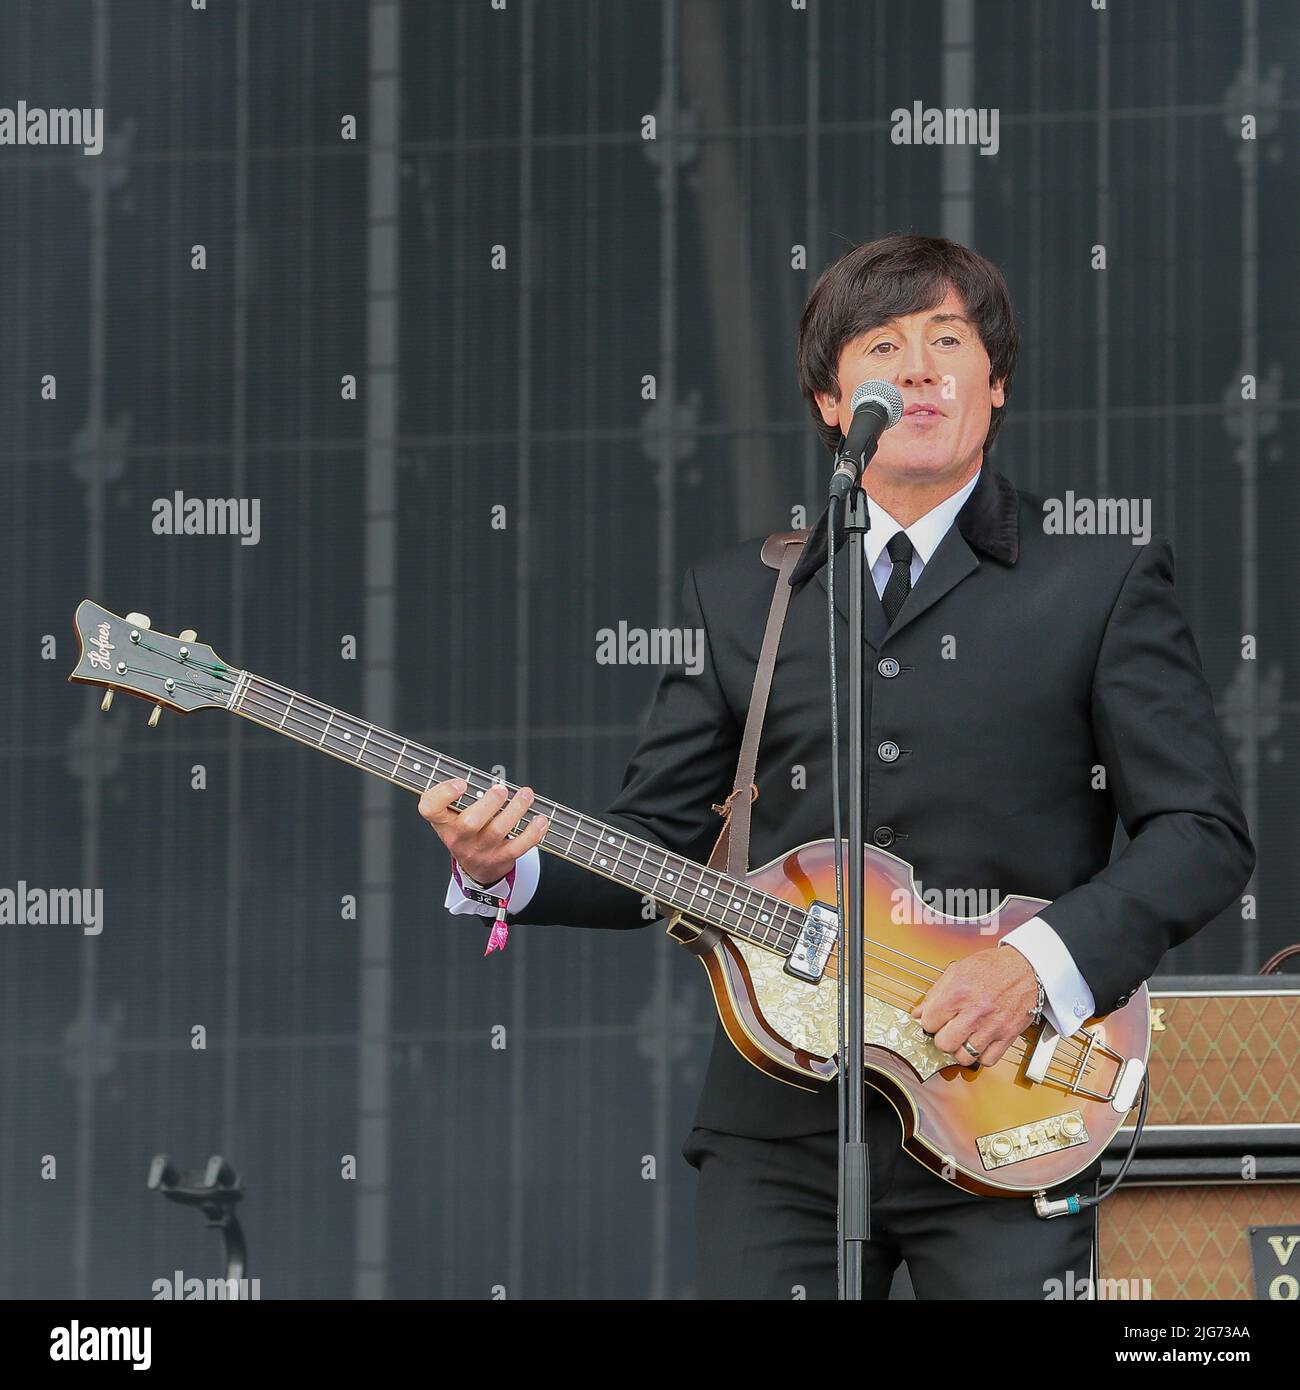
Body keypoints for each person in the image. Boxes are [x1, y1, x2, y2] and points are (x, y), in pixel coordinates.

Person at [418, 233, 1255, 1299]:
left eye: (947, 339)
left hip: (1008, 1098)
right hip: (781, 1129)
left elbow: (1201, 834)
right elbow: (655, 850)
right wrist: (501, 866)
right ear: (829, 404)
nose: (916, 367)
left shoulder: (1098, 575)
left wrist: (1031, 966)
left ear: (993, 384)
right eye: (880, 344)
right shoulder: (744, 597)